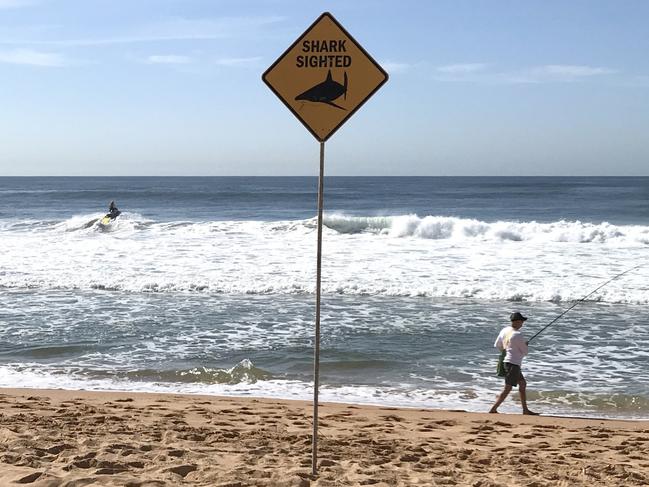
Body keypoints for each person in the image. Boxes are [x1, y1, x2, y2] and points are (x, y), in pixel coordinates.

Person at [489, 312, 538, 415]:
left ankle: (525, 410)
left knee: (522, 384)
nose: (522, 324)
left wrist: (509, 349)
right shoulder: (518, 334)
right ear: (517, 321)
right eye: (521, 321)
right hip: (513, 364)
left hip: (507, 362)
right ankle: (493, 409)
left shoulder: (505, 330)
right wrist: (524, 344)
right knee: (508, 388)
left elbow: (498, 345)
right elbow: (525, 352)